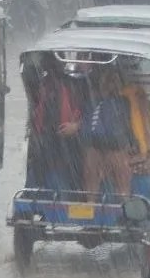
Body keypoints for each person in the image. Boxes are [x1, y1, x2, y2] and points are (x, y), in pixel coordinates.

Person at [82, 68, 139, 197]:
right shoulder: (92, 102)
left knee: (122, 175)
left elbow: (129, 126)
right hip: (95, 147)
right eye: (108, 81)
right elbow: (86, 129)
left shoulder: (125, 102)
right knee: (92, 172)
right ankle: (91, 204)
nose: (111, 85)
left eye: (114, 81)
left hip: (117, 147)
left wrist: (131, 145)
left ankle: (123, 204)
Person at [30, 53, 84, 191]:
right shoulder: (43, 85)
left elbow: (83, 113)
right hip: (47, 143)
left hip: (65, 143)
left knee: (57, 182)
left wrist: (76, 126)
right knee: (40, 180)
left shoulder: (72, 85)